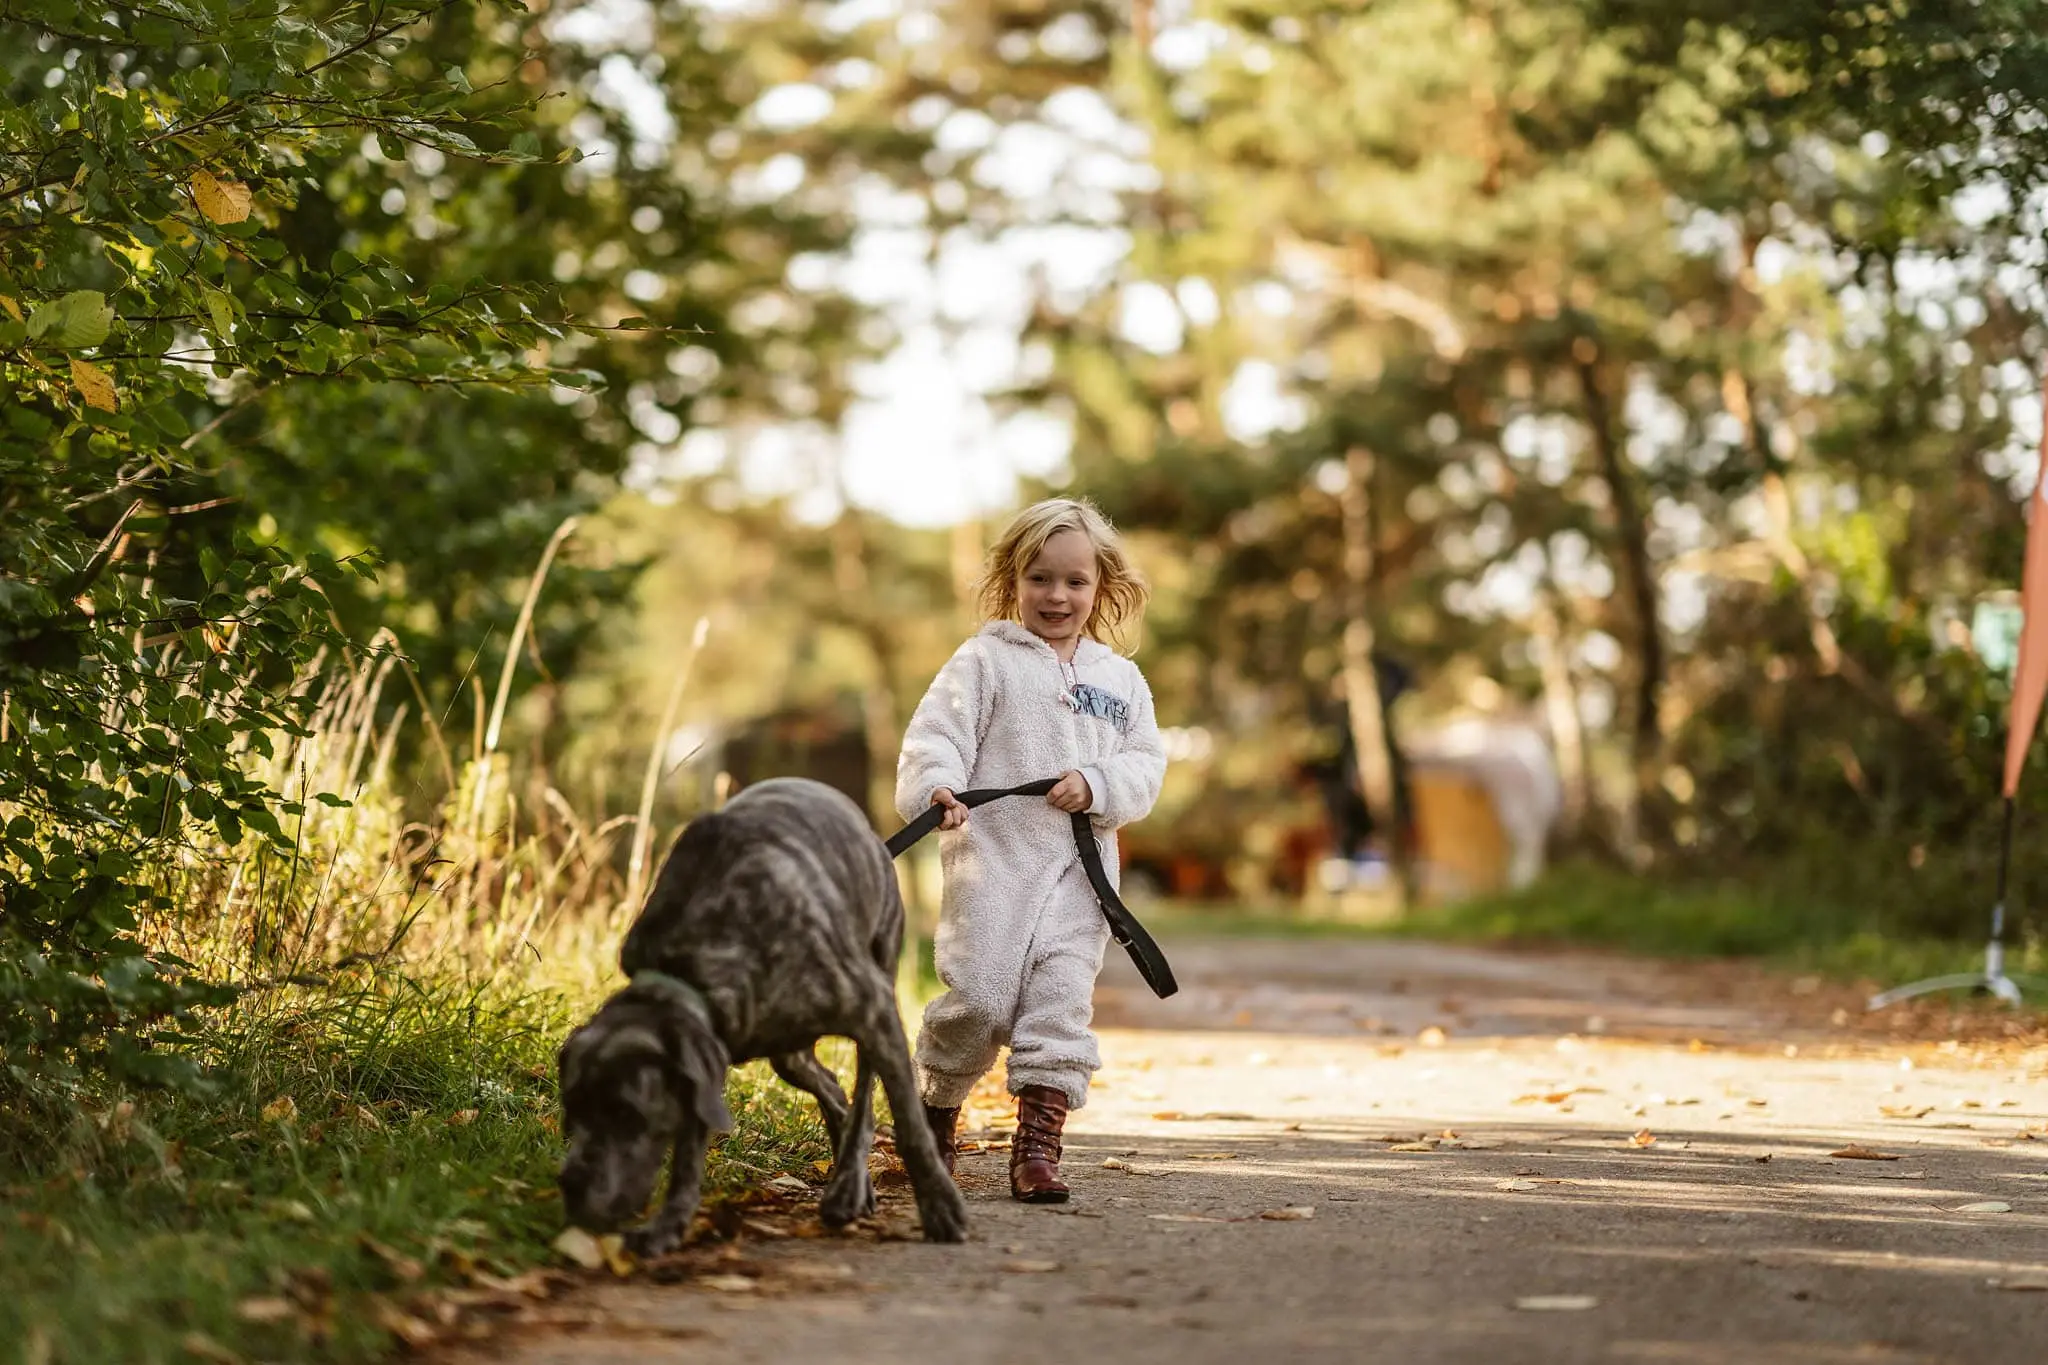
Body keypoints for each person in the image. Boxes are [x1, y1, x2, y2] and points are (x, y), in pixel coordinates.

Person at [895, 497, 1166, 1203]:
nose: (1057, 595)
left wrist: (1100, 782)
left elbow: (1144, 766)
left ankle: (1038, 1149)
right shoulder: (982, 661)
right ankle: (933, 1112)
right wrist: (937, 788)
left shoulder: (1120, 680)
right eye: (1040, 578)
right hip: (993, 863)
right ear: (1013, 579)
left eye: (1075, 581)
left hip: (1080, 877)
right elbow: (934, 737)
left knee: (1059, 1004)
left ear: (1101, 586)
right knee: (979, 1001)